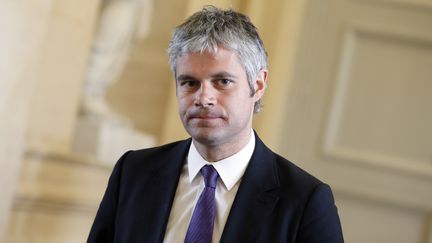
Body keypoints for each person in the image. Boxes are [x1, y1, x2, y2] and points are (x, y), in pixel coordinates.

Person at [87, 5, 344, 243]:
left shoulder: (305, 201)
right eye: (189, 82)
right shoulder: (133, 173)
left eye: (222, 81)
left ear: (258, 84)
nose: (203, 98)